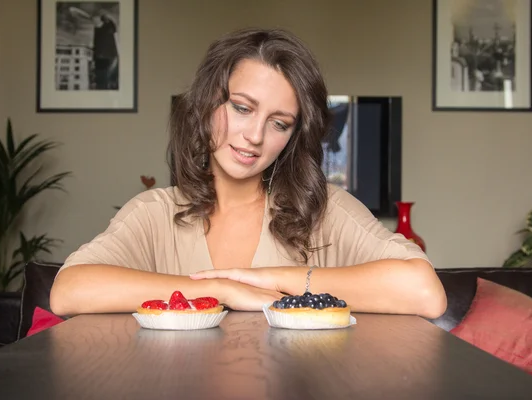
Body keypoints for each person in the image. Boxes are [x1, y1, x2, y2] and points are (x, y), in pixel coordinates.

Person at [50, 28, 447, 319]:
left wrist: (279, 280)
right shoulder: (153, 213)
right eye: (242, 108)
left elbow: (425, 292)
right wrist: (219, 289)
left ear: (293, 136)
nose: (254, 137)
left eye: (279, 123)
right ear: (208, 104)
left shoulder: (323, 210)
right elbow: (68, 291)